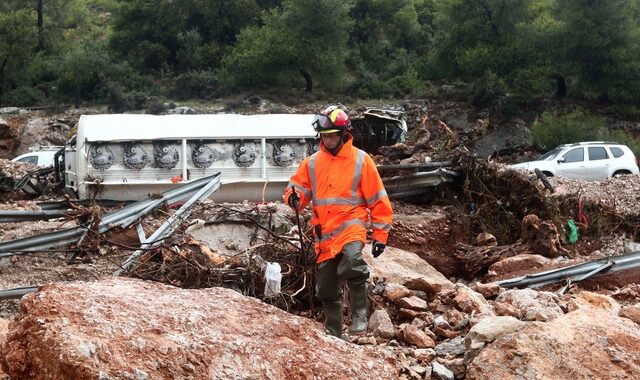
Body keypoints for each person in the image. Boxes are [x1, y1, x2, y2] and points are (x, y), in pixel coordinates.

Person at [284, 106, 393, 339]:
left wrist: (380, 236)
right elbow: (297, 192)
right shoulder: (312, 164)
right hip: (324, 234)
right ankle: (334, 333)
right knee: (326, 286)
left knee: (353, 262)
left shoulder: (362, 161)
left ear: (344, 134)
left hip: (352, 226)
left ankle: (359, 317)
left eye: (333, 134)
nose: (329, 139)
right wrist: (293, 198)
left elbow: (378, 200)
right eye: (325, 135)